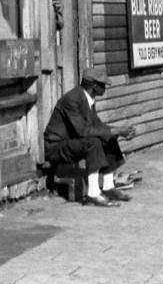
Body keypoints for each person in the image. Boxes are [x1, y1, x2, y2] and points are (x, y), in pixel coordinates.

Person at [44, 70, 137, 207]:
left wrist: (119, 131)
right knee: (93, 142)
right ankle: (93, 194)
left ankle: (108, 188)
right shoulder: (72, 99)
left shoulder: (87, 99)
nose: (105, 88)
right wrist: (115, 130)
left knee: (108, 137)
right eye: (102, 85)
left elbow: (98, 126)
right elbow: (82, 131)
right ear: (94, 86)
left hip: (72, 142)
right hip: (56, 147)